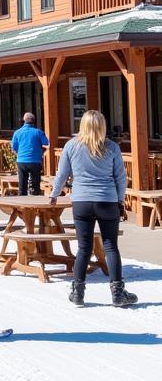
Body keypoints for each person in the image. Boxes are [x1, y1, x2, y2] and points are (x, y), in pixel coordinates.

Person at [50, 109, 136, 308]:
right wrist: (120, 199)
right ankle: (117, 292)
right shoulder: (112, 148)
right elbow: (120, 177)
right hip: (107, 200)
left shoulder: (71, 146)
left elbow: (62, 174)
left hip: (81, 201)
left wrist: (54, 194)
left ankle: (78, 292)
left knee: (83, 247)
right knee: (110, 246)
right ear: (102, 126)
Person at [10, 112, 49, 196]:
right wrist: (42, 152)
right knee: (35, 185)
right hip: (35, 160)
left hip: (21, 160)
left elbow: (13, 147)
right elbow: (46, 143)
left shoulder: (17, 132)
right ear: (34, 121)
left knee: (22, 184)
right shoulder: (38, 132)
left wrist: (18, 155)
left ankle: (22, 204)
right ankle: (34, 203)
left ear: (23, 120)